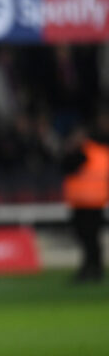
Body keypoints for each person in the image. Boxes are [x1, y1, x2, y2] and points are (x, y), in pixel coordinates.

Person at [62, 113, 109, 283]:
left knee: (90, 239)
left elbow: (69, 167)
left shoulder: (88, 153)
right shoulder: (97, 153)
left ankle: (92, 269)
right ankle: (92, 268)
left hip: (91, 203)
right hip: (83, 203)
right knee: (87, 238)